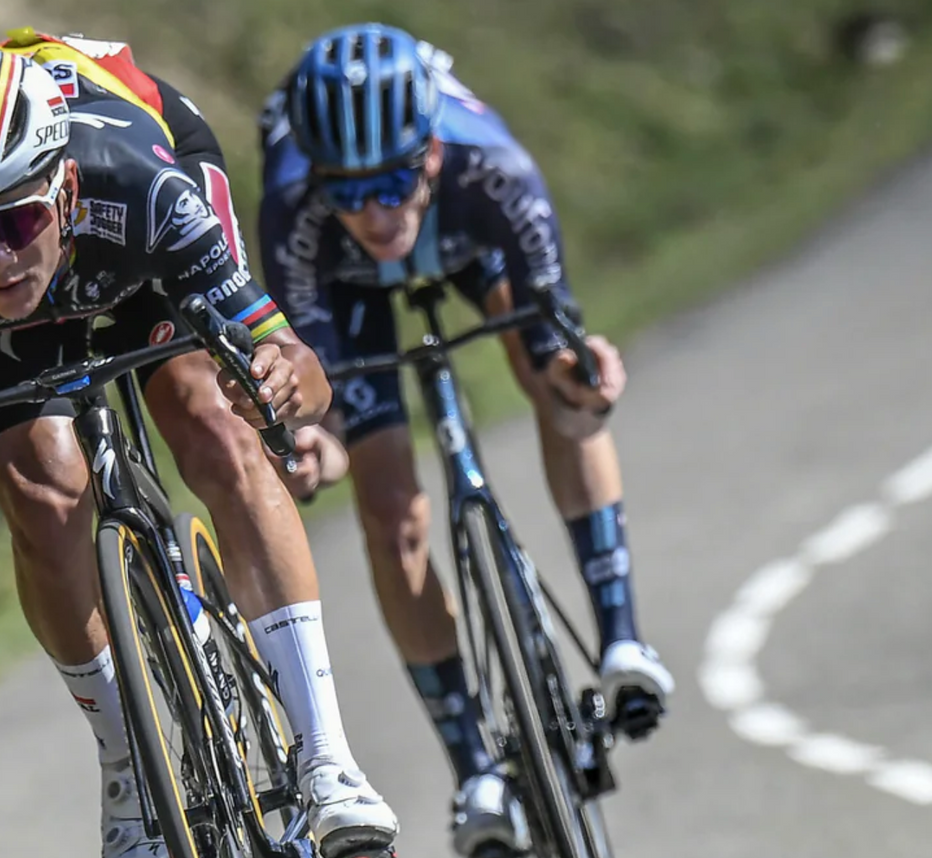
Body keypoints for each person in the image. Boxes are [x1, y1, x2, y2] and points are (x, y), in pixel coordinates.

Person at [0, 28, 399, 858]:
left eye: (18, 221)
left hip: (131, 240)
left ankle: (331, 763)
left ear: (61, 189)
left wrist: (282, 385)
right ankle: (130, 777)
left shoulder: (142, 189)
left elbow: (302, 378)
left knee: (216, 423)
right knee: (39, 491)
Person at [252, 23, 674, 857]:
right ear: (322, 181)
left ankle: (622, 635)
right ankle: (474, 765)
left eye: (395, 183)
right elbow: (320, 398)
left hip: (468, 237)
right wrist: (319, 448)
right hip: (342, 296)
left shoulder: (495, 170)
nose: (375, 214)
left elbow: (559, 332)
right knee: (392, 513)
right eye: (351, 191)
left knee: (552, 382)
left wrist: (581, 377)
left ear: (432, 158)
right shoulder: (295, 213)